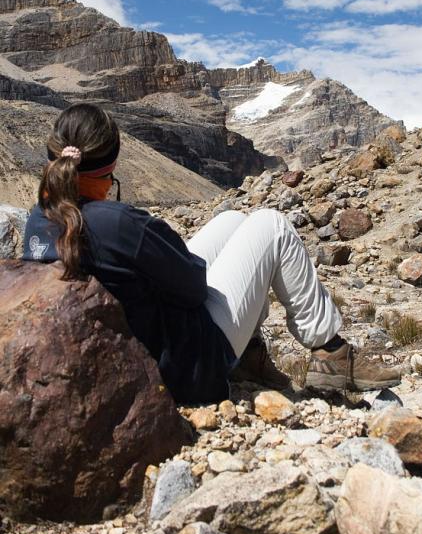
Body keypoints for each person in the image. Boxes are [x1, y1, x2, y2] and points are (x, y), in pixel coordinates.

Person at [23, 103, 401, 405]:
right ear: (112, 163)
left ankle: (251, 357)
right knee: (270, 224)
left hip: (138, 350)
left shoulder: (38, 221)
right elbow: (191, 288)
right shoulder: (117, 223)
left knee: (234, 219)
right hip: (188, 367)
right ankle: (331, 353)